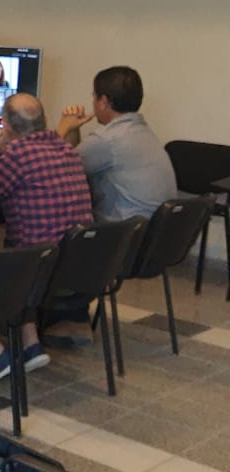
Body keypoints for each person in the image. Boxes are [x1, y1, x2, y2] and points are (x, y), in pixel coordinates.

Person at [50, 65, 177, 345]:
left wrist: (64, 127)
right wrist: (75, 132)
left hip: (123, 245)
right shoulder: (143, 132)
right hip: (156, 244)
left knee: (53, 234)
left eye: (94, 96)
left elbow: (52, 166)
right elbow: (75, 161)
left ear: (104, 101)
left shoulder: (109, 140)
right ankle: (69, 317)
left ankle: (69, 319)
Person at [0, 93, 93, 374]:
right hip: (80, 268)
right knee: (27, 247)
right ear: (45, 120)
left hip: (40, 270)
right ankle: (31, 345)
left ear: (6, 126)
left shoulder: (17, 155)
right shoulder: (66, 149)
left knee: (4, 257)